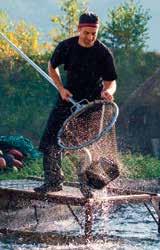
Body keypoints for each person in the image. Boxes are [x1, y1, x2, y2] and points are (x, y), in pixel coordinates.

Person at [34, 12, 117, 193]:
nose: (90, 37)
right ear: (79, 29)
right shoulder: (66, 47)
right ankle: (54, 181)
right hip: (67, 100)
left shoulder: (103, 53)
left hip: (93, 106)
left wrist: (108, 92)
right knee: (50, 141)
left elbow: (111, 81)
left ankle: (87, 185)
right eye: (86, 33)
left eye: (94, 34)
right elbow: (51, 66)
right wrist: (61, 88)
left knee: (86, 145)